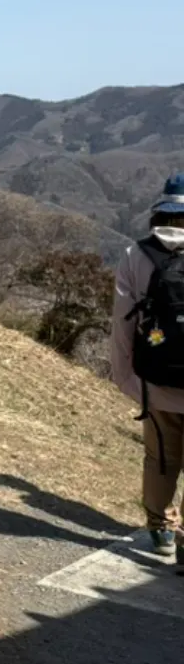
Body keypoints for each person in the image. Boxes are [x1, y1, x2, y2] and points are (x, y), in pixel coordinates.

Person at [111, 173, 184, 559]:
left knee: (161, 459)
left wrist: (124, 374)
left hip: (156, 383)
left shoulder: (134, 256)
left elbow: (123, 323)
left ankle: (161, 531)